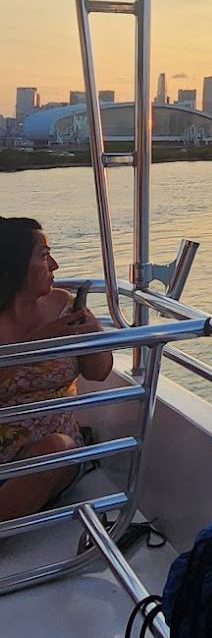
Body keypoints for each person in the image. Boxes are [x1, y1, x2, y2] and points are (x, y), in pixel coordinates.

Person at [0, 216, 112, 524]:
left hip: (52, 454)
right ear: (15, 265)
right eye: (44, 255)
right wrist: (39, 343)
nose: (55, 265)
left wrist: (92, 336)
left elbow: (99, 372)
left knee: (55, 449)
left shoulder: (64, 304)